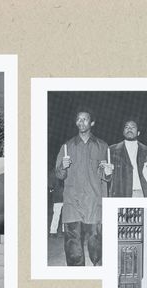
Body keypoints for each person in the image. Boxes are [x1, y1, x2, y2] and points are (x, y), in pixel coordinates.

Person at [54, 107, 113, 266]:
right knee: (73, 244)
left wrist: (108, 172)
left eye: (85, 119)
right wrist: (63, 167)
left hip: (94, 202)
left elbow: (106, 177)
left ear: (92, 122)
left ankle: (99, 272)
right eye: (78, 119)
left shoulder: (102, 146)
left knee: (97, 242)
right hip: (73, 201)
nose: (81, 122)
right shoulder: (67, 146)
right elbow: (59, 175)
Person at [108, 119, 147, 198]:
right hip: (121, 194)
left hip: (142, 193)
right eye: (127, 127)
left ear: (138, 132)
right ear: (123, 132)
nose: (129, 129)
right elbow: (106, 176)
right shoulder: (112, 150)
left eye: (133, 127)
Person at [48, 169, 64, 235]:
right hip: (66, 197)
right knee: (66, 215)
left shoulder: (53, 173)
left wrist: (52, 190)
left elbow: (50, 186)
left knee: (56, 215)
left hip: (57, 197)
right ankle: (64, 230)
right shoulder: (68, 171)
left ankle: (53, 231)